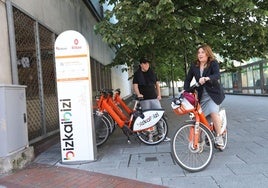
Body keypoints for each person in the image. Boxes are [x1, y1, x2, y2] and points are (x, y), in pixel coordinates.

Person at [183, 44, 225, 147]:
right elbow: (188, 79)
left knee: (213, 112)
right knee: (197, 119)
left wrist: (207, 78)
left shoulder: (213, 63)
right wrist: (185, 90)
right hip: (201, 96)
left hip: (213, 94)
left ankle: (219, 137)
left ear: (207, 53)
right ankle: (199, 140)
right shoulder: (194, 65)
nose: (200, 54)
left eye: (202, 52)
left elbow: (217, 75)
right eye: (199, 52)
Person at [133, 58, 170, 141]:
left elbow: (157, 84)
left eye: (148, 64)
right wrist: (138, 94)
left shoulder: (152, 72)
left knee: (159, 116)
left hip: (154, 98)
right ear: (141, 65)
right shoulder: (137, 74)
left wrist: (159, 95)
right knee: (148, 118)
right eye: (145, 64)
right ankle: (150, 136)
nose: (147, 65)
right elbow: (135, 86)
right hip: (144, 100)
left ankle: (162, 134)